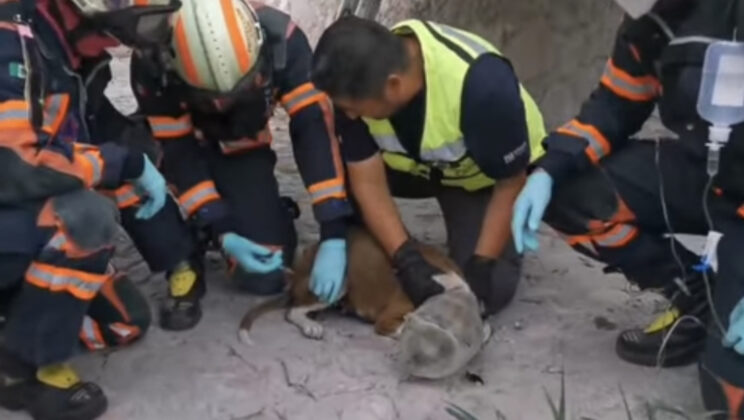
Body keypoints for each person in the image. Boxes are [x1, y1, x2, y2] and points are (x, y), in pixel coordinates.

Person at [510, 0, 744, 416]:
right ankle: (696, 293)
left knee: (729, 392)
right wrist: (550, 168)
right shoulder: (650, 22)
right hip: (702, 171)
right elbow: (617, 104)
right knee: (574, 195)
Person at [0, 0, 180, 419]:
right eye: (126, 27)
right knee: (85, 215)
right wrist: (124, 164)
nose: (122, 42)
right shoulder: (12, 41)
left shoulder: (73, 53)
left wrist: (149, 161)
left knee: (125, 321)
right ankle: (20, 373)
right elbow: (14, 165)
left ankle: (17, 321)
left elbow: (98, 127)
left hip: (17, 220)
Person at [130, 0, 352, 330]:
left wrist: (333, 231)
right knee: (133, 165)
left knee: (265, 277)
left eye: (241, 87)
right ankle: (182, 254)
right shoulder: (152, 60)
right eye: (209, 95)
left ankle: (261, 211)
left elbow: (314, 131)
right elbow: (177, 150)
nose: (222, 103)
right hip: (175, 150)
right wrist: (219, 225)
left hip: (239, 149)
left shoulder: (284, 41)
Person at [310, 17, 546, 314]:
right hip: (415, 168)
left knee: (487, 289)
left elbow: (511, 183)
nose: (350, 116)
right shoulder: (358, 79)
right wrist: (405, 258)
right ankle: (363, 255)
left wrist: (483, 262)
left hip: (482, 179)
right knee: (335, 170)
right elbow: (366, 180)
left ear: (393, 85)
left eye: (353, 108)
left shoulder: (482, 87)